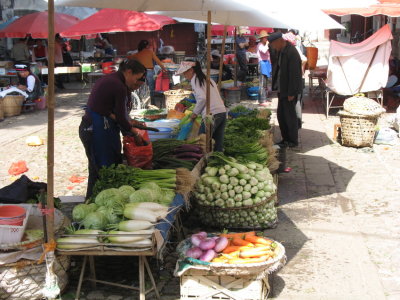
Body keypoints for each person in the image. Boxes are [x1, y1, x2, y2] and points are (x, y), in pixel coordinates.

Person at [79, 59, 146, 199]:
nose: (137, 83)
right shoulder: (117, 85)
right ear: (128, 72)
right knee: (103, 170)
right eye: (137, 78)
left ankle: (91, 200)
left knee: (98, 170)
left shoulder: (114, 81)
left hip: (97, 129)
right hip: (95, 131)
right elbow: (121, 118)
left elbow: (109, 110)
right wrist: (135, 133)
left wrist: (129, 123)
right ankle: (97, 201)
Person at [175, 61, 227, 152]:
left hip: (212, 114)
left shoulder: (195, 80)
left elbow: (202, 98)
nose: (184, 75)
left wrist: (195, 113)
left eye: (185, 72)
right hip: (222, 112)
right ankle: (217, 160)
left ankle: (203, 163)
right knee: (218, 144)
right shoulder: (208, 79)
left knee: (202, 141)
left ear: (191, 70)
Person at [268, 32, 302, 148]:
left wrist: (292, 92)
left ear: (279, 41)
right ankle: (285, 139)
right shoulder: (281, 51)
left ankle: (292, 141)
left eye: (272, 44)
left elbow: (295, 74)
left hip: (289, 90)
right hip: (282, 89)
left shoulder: (291, 52)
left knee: (289, 116)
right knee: (281, 116)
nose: (272, 47)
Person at [128, 40, 166, 104]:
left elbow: (129, 57)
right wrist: (164, 68)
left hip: (141, 73)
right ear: (146, 46)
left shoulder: (138, 54)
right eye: (148, 45)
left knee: (142, 88)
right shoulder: (150, 52)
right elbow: (158, 61)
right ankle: (153, 103)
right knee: (151, 88)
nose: (149, 46)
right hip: (150, 71)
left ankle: (144, 103)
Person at [257, 30, 272, 107]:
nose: (266, 38)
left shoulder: (265, 44)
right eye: (265, 37)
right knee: (262, 83)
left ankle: (265, 99)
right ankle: (262, 100)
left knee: (266, 83)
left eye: (267, 37)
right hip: (262, 64)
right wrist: (267, 44)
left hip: (267, 64)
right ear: (262, 38)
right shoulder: (260, 45)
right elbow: (264, 51)